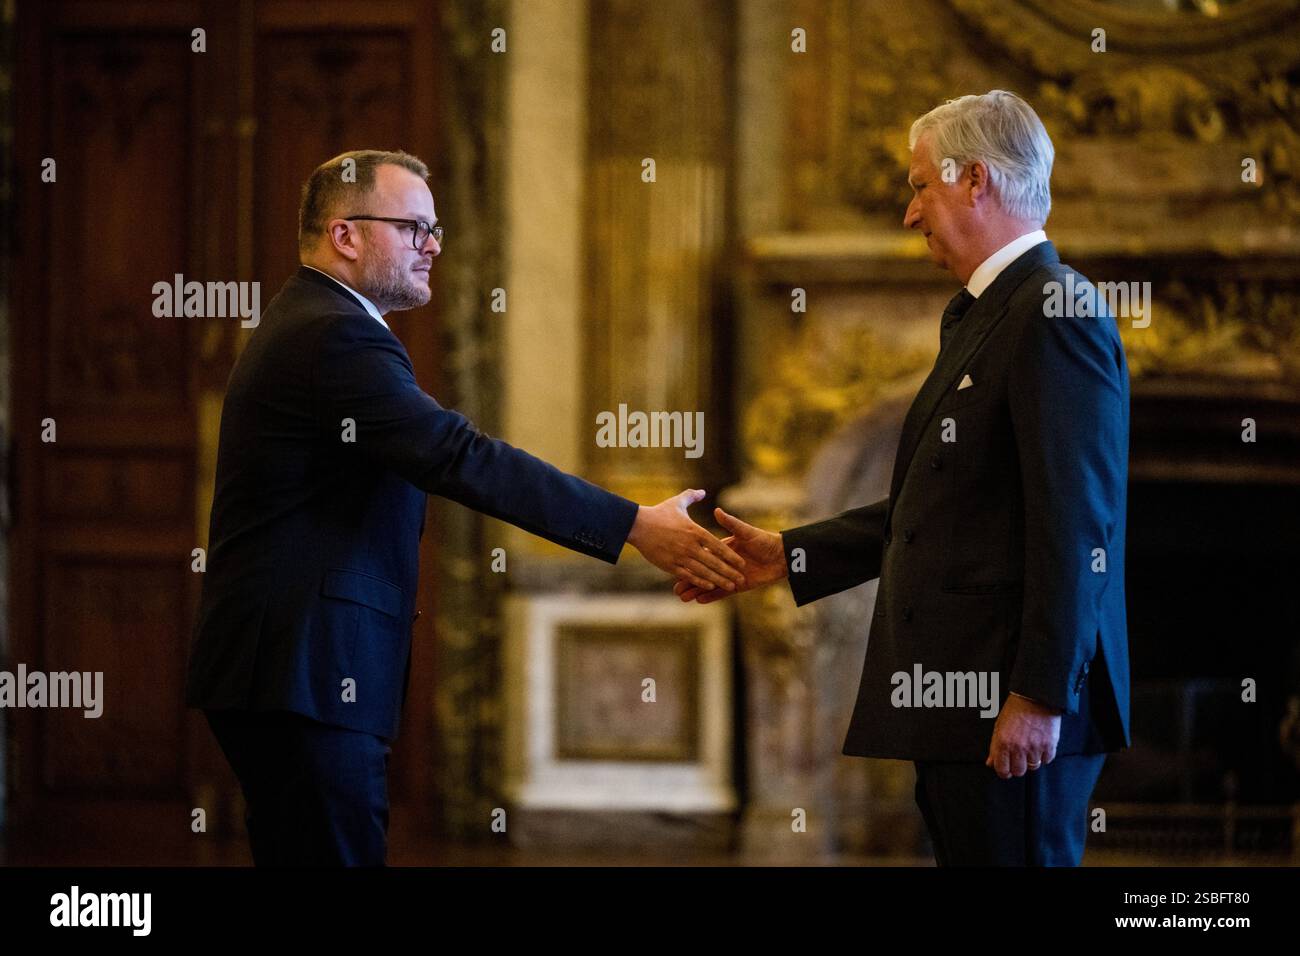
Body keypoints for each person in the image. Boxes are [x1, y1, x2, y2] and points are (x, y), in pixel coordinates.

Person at [185, 149, 746, 866]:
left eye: (437, 229)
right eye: (413, 228)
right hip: (306, 667)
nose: (434, 246)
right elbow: (456, 454)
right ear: (346, 235)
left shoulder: (318, 321)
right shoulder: (334, 332)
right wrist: (632, 524)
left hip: (295, 668)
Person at [676, 91, 1131, 866]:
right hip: (963, 705)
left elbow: (1076, 522)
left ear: (975, 180)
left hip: (1008, 709)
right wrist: (790, 553)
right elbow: (946, 509)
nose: (910, 213)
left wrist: (1041, 694)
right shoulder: (988, 311)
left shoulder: (1052, 310)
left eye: (921, 185)